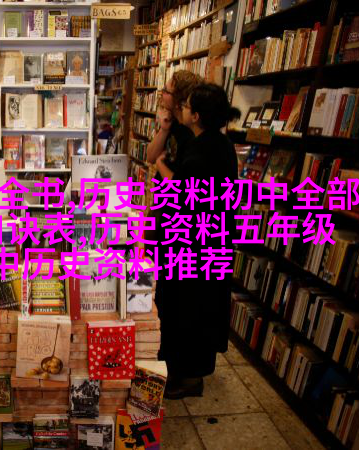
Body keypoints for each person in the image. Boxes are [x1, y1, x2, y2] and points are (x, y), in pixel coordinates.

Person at [156, 83, 241, 399]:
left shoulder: (205, 149)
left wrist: (161, 165)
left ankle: (188, 377)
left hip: (195, 246)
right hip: (204, 241)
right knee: (193, 307)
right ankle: (184, 370)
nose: (182, 108)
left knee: (189, 308)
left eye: (187, 105)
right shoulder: (217, 143)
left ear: (196, 115)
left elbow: (182, 191)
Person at [146, 70, 202, 181]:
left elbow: (181, 185)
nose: (161, 93)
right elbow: (150, 157)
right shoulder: (171, 120)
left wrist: (160, 163)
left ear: (178, 100)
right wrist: (164, 129)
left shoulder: (193, 132)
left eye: (166, 91)